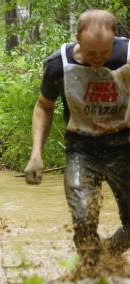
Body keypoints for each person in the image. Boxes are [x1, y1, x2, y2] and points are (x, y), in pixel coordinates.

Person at [24, 9, 130, 268]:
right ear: (77, 39)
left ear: (114, 39)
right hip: (82, 149)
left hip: (124, 146)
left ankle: (108, 255)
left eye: (104, 53)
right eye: (91, 53)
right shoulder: (57, 64)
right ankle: (91, 270)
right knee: (83, 218)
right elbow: (43, 106)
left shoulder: (127, 55)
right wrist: (36, 154)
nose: (98, 60)